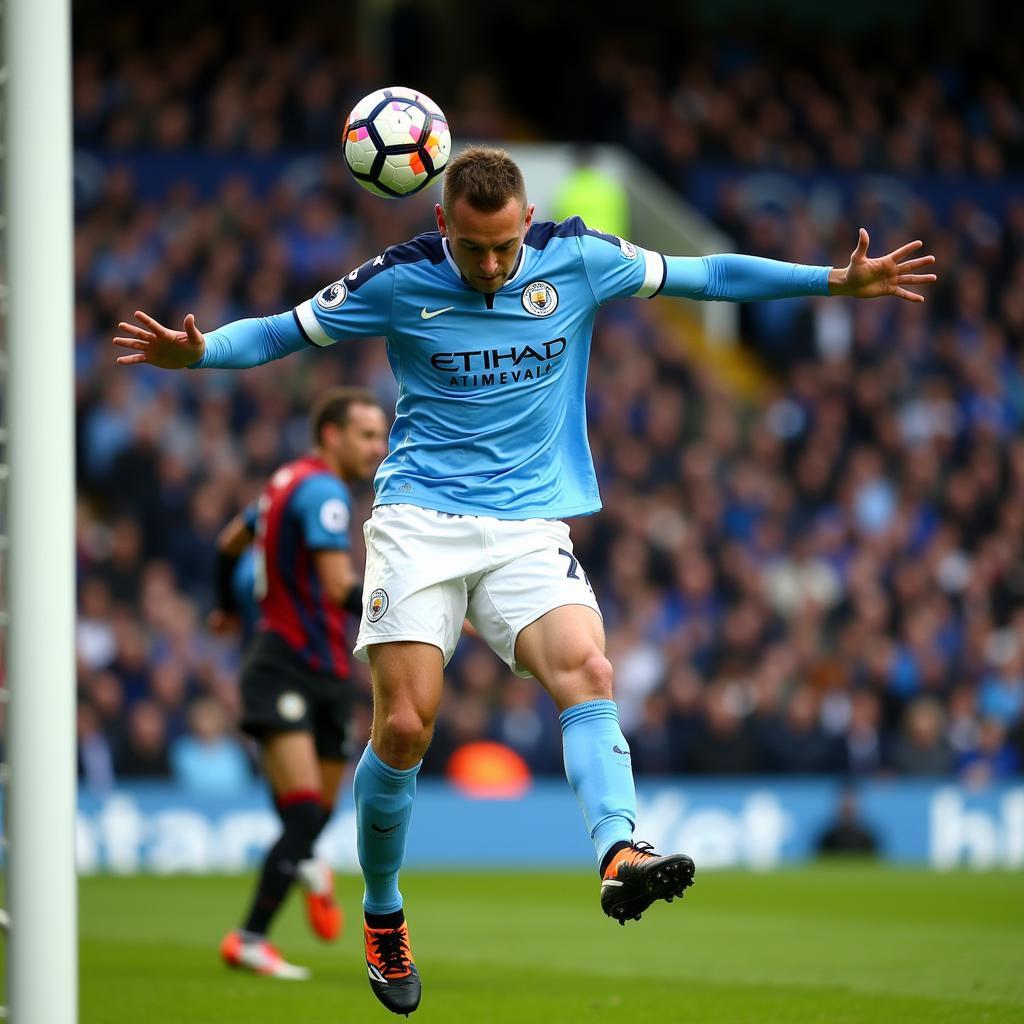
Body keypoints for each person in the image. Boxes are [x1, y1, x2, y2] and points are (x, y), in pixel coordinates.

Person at [114, 145, 936, 1016]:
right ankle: (384, 910)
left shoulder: (577, 259)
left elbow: (710, 276)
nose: (495, 266)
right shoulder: (396, 279)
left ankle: (619, 851)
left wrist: (830, 283)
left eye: (507, 247)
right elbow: (280, 332)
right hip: (419, 524)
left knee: (589, 669)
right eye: (476, 250)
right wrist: (199, 353)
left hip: (526, 527)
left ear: (526, 225)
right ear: (443, 225)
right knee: (403, 725)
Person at [211, 387, 387, 980]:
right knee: (305, 812)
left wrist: (224, 606)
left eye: (380, 434)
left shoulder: (284, 481)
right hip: (285, 663)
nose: (378, 446)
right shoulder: (325, 494)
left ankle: (307, 862)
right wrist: (415, 612)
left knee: (311, 815)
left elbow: (228, 544)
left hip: (329, 672)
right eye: (366, 435)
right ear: (331, 435)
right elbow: (339, 587)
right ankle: (249, 938)